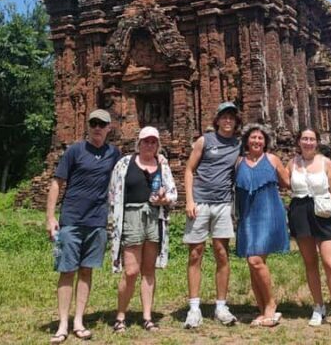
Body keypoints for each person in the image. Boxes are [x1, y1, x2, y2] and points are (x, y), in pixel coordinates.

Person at [46, 109, 121, 344]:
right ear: (88, 126)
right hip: (72, 219)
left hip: (97, 221)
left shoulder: (114, 154)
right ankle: (62, 324)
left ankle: (78, 320)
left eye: (102, 124)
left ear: (109, 128)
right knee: (67, 270)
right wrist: (50, 217)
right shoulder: (75, 150)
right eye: (94, 123)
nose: (97, 127)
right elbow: (57, 183)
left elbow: (127, 176)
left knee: (87, 270)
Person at [107, 126, 177, 332]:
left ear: (158, 145)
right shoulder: (124, 164)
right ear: (139, 143)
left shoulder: (163, 166)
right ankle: (120, 316)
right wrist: (111, 221)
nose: (149, 145)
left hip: (154, 217)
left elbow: (173, 194)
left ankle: (147, 317)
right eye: (146, 141)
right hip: (131, 217)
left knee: (148, 270)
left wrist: (165, 199)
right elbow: (113, 193)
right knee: (131, 271)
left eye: (153, 141)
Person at [183, 102, 242, 328]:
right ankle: (194, 307)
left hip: (223, 204)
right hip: (200, 203)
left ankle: (220, 306)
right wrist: (189, 200)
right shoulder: (204, 141)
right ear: (217, 120)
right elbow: (189, 169)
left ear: (236, 122)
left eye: (232, 118)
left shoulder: (238, 145)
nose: (228, 121)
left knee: (221, 253)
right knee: (195, 253)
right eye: (224, 117)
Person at [287, 128, 331, 331]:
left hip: (325, 213)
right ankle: (318, 306)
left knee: (330, 263)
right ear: (298, 142)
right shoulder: (292, 163)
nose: (308, 142)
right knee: (310, 262)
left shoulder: (326, 163)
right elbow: (285, 184)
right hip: (300, 213)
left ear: (317, 142)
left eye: (312, 139)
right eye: (304, 139)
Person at [235, 123, 290, 327]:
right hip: (248, 215)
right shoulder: (239, 161)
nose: (257, 141)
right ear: (246, 141)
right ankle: (261, 310)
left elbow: (288, 182)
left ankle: (271, 305)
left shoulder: (272, 159)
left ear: (265, 142)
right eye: (253, 138)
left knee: (256, 260)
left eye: (260, 138)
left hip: (269, 212)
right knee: (252, 263)